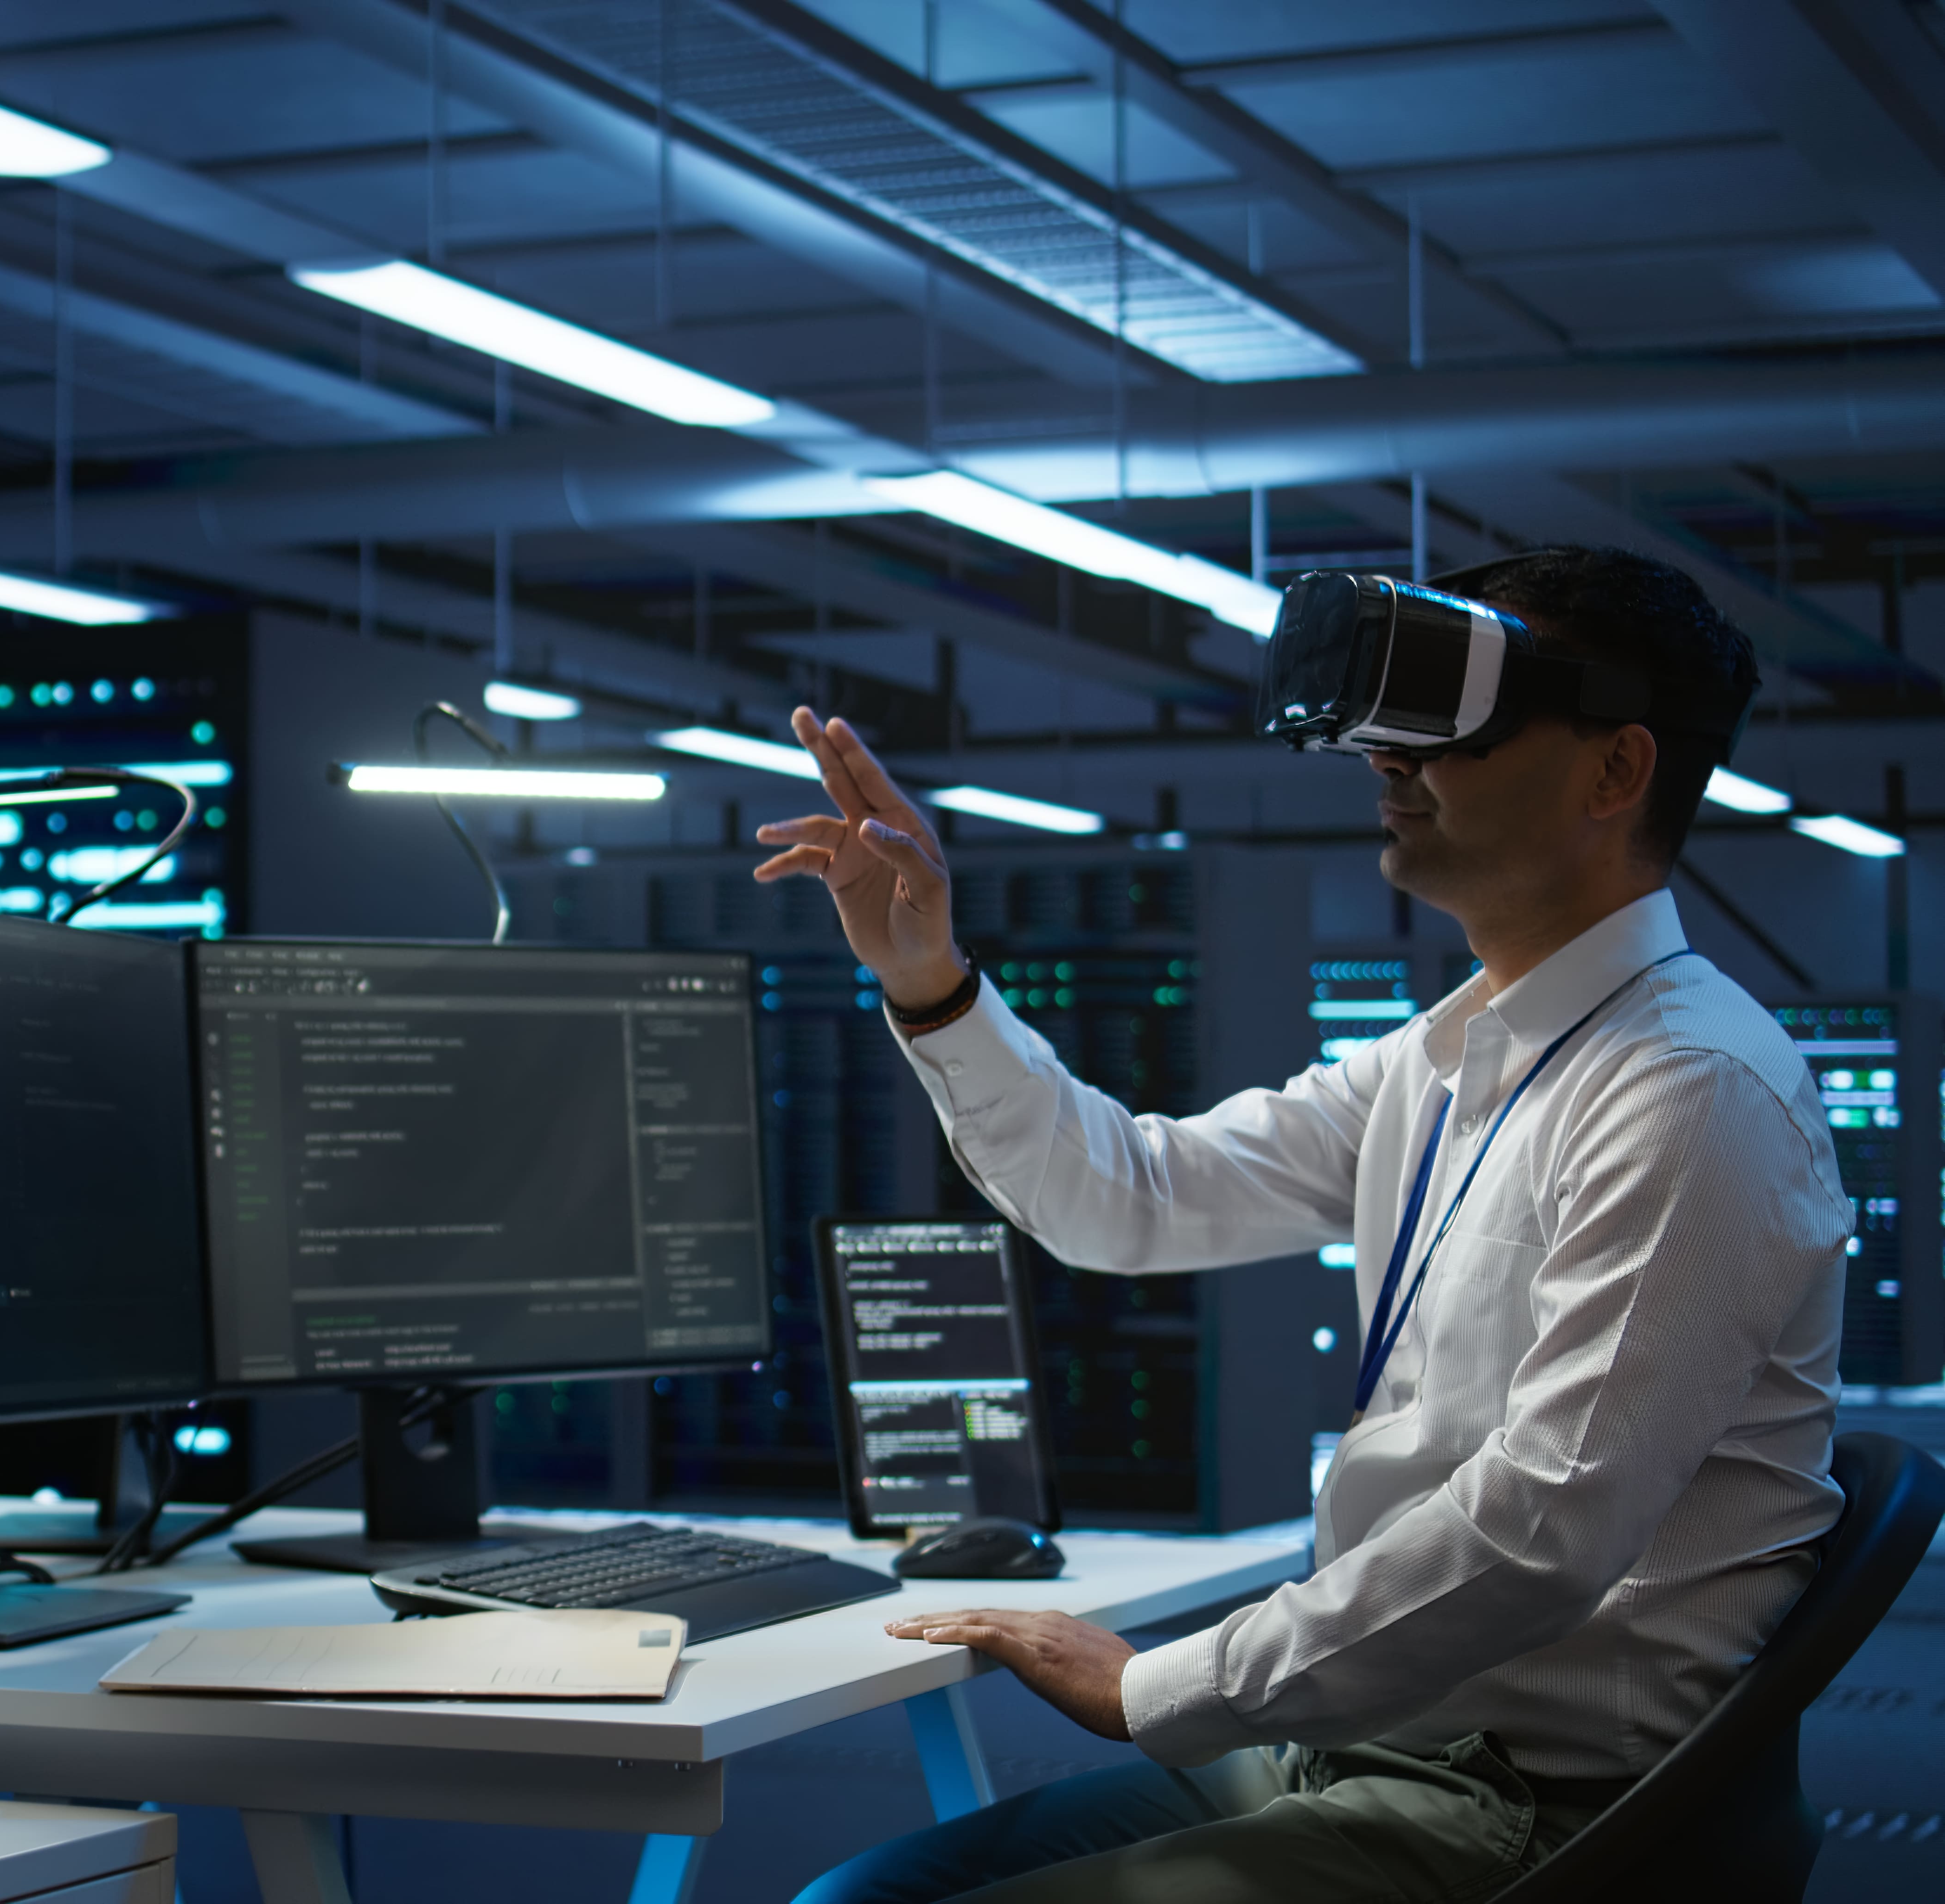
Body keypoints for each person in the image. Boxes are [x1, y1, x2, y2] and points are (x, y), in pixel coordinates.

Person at [756, 547, 1848, 1902]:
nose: (1387, 765)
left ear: (1614, 772)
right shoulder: (1447, 1060)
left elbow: (1538, 1529)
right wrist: (927, 980)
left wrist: (1164, 1681)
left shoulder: (1689, 1090)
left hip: (1523, 1806)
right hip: (1362, 1735)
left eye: (1452, 728)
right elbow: (1132, 1196)